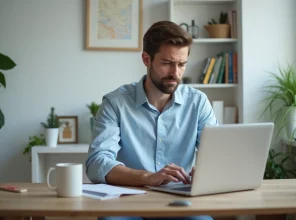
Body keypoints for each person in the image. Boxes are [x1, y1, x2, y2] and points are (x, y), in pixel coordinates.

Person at [86, 20, 218, 220]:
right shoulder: (115, 103)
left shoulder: (198, 103)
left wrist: (203, 173)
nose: (176, 73)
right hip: (128, 203)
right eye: (167, 64)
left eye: (182, 64)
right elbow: (96, 163)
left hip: (180, 205)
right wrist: (148, 177)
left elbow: (216, 156)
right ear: (146, 59)